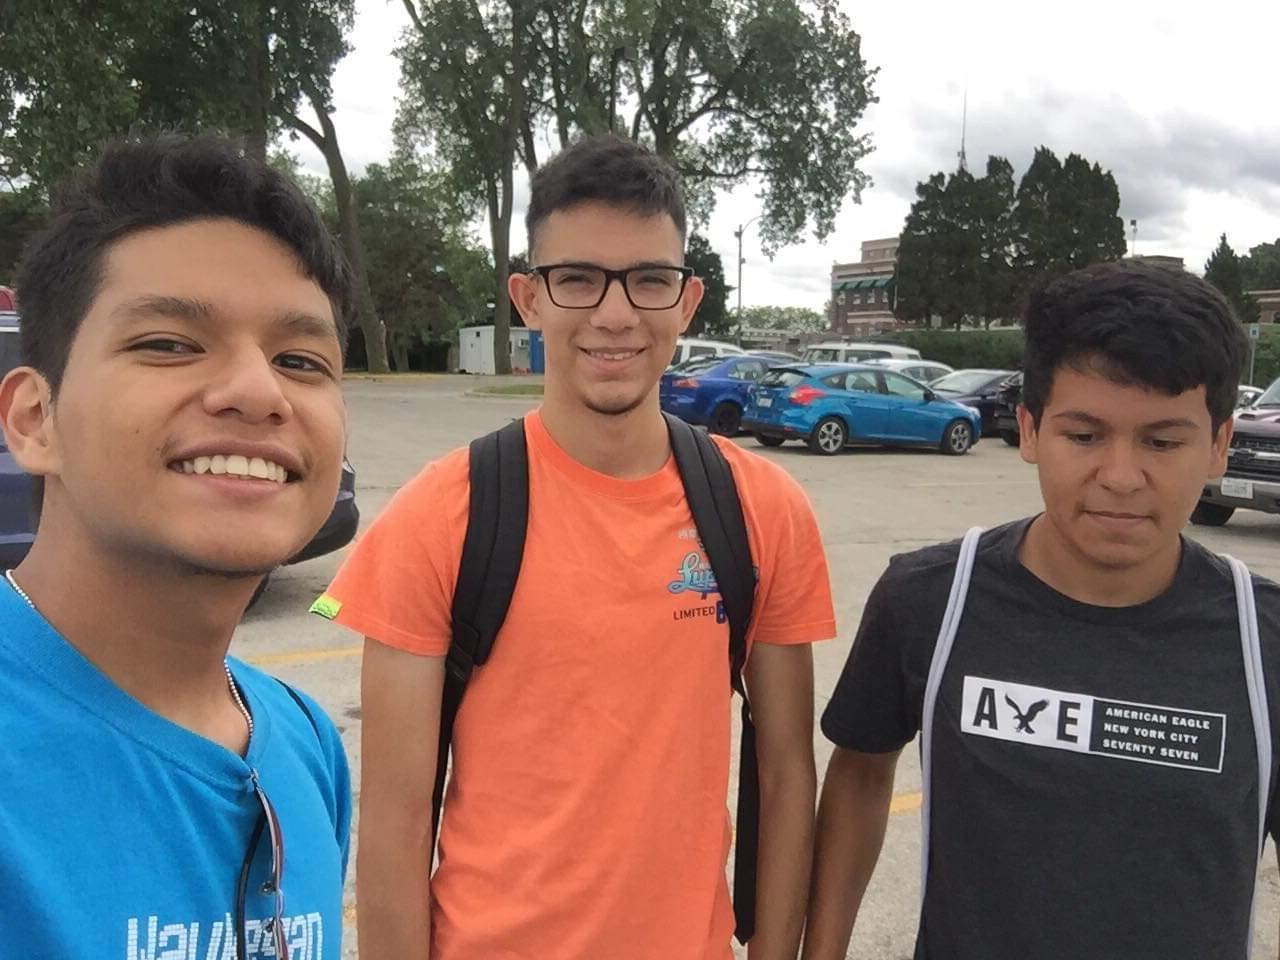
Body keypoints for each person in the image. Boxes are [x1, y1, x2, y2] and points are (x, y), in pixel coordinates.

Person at [313, 134, 836, 960]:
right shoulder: (440, 516)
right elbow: (395, 821)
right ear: (529, 298)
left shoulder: (762, 510)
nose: (615, 314)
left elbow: (786, 775)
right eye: (579, 278)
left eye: (649, 280)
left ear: (688, 300)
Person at [804, 261, 1279, 960]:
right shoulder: (930, 599)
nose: (1120, 477)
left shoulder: (1263, 639)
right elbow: (860, 775)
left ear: (1218, 445)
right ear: (1028, 430)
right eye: (1083, 436)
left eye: (1162, 441)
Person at [0, 135, 353, 959]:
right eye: (168, 343)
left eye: (300, 359)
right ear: (34, 419)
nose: (260, 392)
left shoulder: (306, 744)